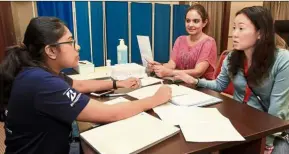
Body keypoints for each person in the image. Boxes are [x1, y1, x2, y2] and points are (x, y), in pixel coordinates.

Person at [0, 16, 172, 154]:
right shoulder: (41, 82)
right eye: (70, 41)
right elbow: (111, 113)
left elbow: (78, 85)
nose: (78, 46)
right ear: (51, 50)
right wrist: (155, 99)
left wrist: (116, 83)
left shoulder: (37, 71)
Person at [174, 6, 289, 154]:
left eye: (241, 29)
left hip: (273, 129)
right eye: (234, 28)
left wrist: (266, 143)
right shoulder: (232, 57)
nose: (234, 34)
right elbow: (219, 85)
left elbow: (277, 110)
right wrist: (196, 81)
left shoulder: (282, 60)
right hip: (240, 120)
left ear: (260, 33)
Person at [147, 3, 217, 80]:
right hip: (181, 83)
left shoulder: (208, 42)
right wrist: (159, 67)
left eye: (195, 21)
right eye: (188, 21)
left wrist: (170, 72)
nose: (190, 25)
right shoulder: (180, 40)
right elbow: (172, 64)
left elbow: (198, 72)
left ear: (204, 23)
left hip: (202, 87)